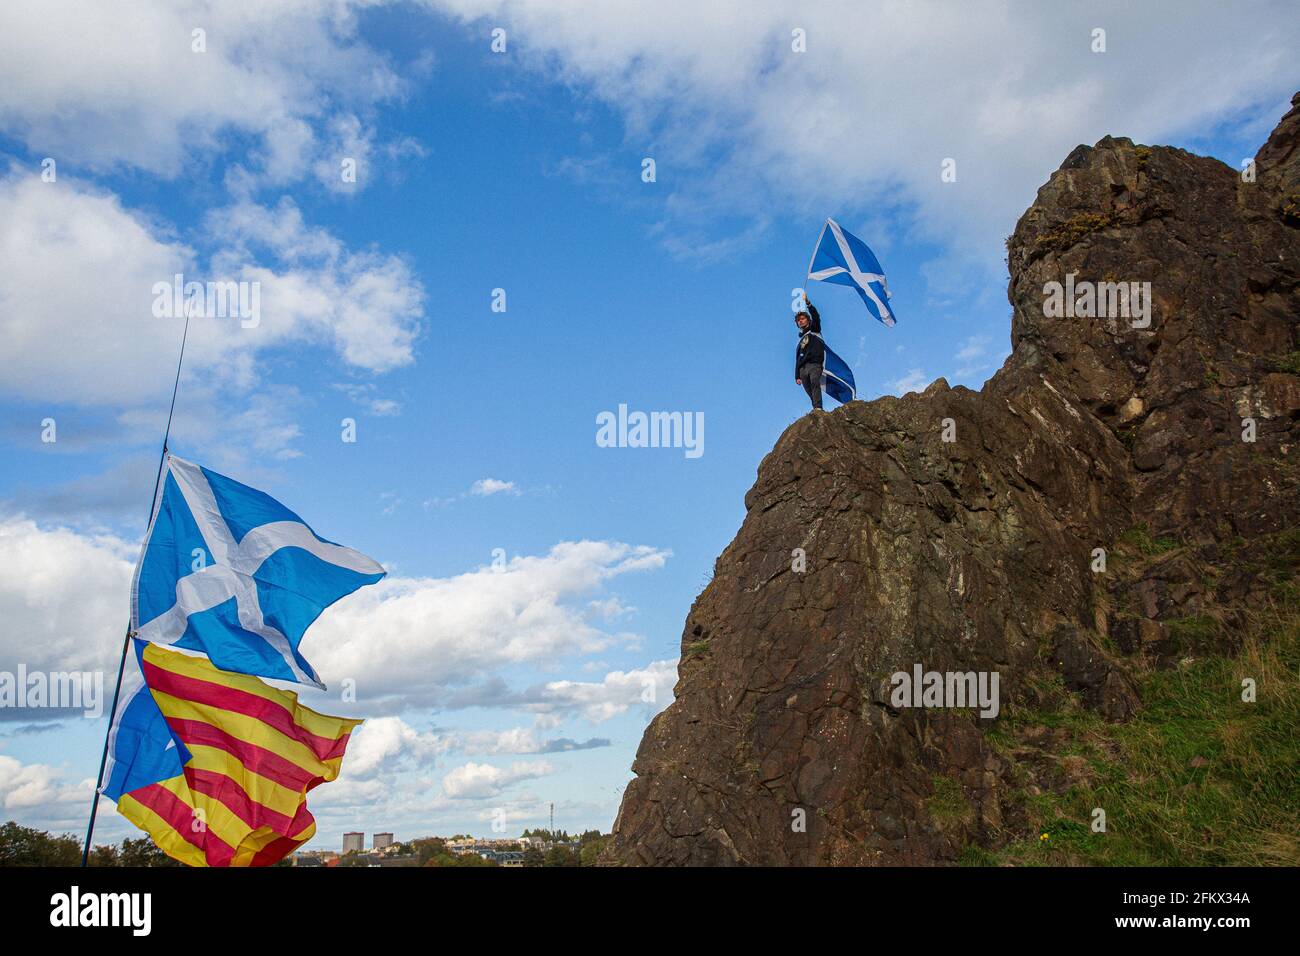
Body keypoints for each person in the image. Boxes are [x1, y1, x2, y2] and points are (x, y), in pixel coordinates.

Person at [794, 296, 825, 411]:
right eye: (798, 320)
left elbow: (816, 317)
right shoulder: (800, 340)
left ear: (808, 320)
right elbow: (797, 359)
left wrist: (808, 304)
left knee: (814, 382)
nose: (800, 321)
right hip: (803, 369)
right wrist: (797, 375)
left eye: (802, 318)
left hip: (814, 364)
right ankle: (815, 407)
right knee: (808, 389)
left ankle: (818, 407)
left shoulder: (815, 330)